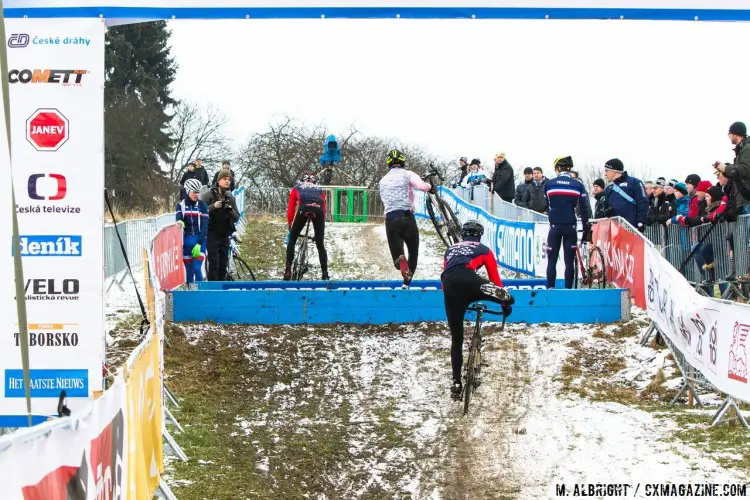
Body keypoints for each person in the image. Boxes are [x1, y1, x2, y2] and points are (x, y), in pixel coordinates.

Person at [441, 220, 514, 400]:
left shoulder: (450, 250)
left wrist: (454, 299)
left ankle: (456, 383)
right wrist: (505, 306)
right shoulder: (484, 250)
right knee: (503, 295)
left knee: (456, 339)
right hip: (471, 280)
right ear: (479, 236)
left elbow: (444, 276)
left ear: (462, 234)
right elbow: (495, 278)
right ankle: (504, 299)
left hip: (450, 284)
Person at [378, 149, 433, 287]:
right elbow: (422, 186)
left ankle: (401, 262)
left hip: (391, 220)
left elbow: (384, 199)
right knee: (413, 253)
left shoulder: (382, 180)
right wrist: (430, 186)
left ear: (389, 164)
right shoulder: (408, 174)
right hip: (407, 217)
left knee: (398, 259)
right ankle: (406, 283)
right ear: (402, 162)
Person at [544, 156, 589, 289]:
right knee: (569, 262)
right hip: (571, 226)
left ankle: (550, 289)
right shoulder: (578, 184)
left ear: (558, 168)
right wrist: (586, 226)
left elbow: (547, 204)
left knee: (551, 261)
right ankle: (568, 290)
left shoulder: (549, 183)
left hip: (555, 226)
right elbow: (584, 208)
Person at [714, 121, 750, 282]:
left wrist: (726, 168)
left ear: (735, 133)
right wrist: (725, 170)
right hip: (744, 199)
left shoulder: (747, 149)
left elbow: (744, 171)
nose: (728, 137)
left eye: (729, 134)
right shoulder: (742, 149)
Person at [284, 172, 329, 281]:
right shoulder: (319, 188)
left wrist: (290, 225)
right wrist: (320, 229)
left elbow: (291, 209)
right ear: (314, 181)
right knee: (320, 244)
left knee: (293, 238)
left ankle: (288, 271)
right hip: (318, 211)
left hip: (303, 208)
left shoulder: (297, 187)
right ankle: (325, 274)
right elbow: (324, 211)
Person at [202, 169, 240, 281]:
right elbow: (200, 212)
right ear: (218, 181)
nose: (227, 181)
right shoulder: (208, 195)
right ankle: (212, 291)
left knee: (223, 264)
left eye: (229, 179)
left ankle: (222, 290)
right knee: (214, 264)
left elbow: (237, 217)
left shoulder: (230, 197)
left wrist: (230, 210)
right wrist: (213, 207)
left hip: (224, 235)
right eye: (224, 179)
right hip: (212, 233)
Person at [176, 179, 209, 285]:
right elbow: (178, 218)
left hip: (199, 240)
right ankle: (192, 296)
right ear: (187, 191)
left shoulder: (202, 205)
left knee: (196, 268)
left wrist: (199, 243)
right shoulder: (180, 205)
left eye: (198, 192)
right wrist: (179, 222)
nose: (197, 194)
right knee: (189, 272)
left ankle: (201, 294)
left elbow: (205, 226)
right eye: (194, 191)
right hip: (186, 242)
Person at [602, 158, 649, 231]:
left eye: (606, 171)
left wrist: (641, 222)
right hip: (615, 229)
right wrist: (607, 212)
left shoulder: (635, 182)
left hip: (632, 228)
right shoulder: (609, 188)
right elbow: (606, 207)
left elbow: (643, 202)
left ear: (614, 171)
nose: (605, 174)